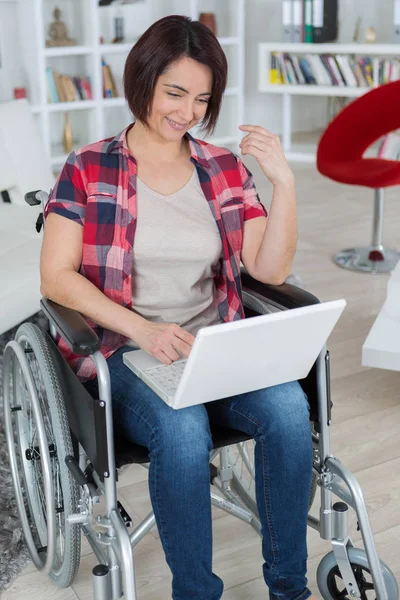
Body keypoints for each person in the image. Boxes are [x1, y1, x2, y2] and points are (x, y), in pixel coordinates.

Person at [40, 15, 316, 600]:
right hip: (128, 352)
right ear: (142, 80)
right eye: (174, 93)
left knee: (290, 411)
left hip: (214, 347)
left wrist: (284, 184)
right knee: (184, 432)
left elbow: (269, 271)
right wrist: (142, 327)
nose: (187, 112)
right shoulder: (88, 167)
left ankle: (289, 587)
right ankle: (196, 592)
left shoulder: (220, 167)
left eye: (201, 98)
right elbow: (57, 279)